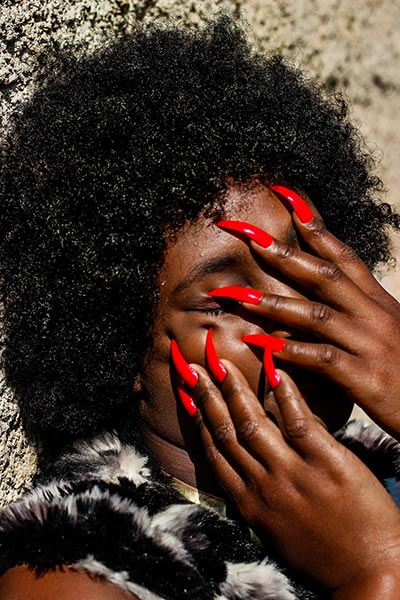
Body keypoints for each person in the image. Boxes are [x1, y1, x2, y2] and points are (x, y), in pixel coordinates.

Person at [1, 15, 400, 599]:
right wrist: (379, 572)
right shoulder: (79, 564)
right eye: (229, 301)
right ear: (121, 348)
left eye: (308, 266)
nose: (296, 307)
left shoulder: (381, 462)